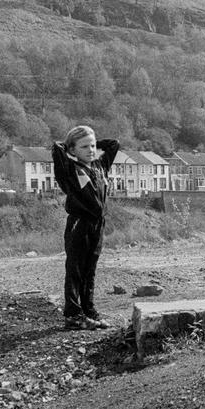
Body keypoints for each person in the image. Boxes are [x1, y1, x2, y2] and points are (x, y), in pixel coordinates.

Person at [51, 125, 119, 330]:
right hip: (79, 223)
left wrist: (92, 139)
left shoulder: (100, 166)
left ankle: (88, 310)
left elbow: (114, 145)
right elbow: (57, 148)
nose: (91, 150)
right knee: (75, 269)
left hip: (97, 224)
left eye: (93, 146)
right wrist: (68, 145)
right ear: (72, 150)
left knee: (90, 270)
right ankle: (73, 315)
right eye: (84, 147)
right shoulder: (70, 171)